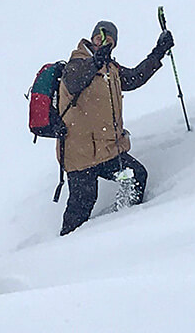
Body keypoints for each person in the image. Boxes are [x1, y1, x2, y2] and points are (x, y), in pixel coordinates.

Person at [57, 20, 173, 236]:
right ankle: (63, 251)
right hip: (81, 158)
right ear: (92, 38)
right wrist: (94, 63)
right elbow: (74, 82)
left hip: (107, 155)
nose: (105, 42)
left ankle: (122, 226)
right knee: (81, 208)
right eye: (101, 38)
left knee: (135, 176)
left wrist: (158, 53)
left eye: (110, 40)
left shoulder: (111, 69)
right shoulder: (75, 63)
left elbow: (135, 78)